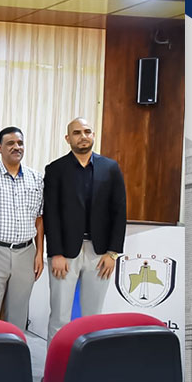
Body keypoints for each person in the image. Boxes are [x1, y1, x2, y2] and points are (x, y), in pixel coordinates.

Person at [44, 117, 127, 341]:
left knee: (93, 318)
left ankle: (89, 362)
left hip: (100, 254)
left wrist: (112, 253)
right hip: (65, 254)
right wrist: (56, 253)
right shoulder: (55, 169)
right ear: (68, 138)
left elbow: (119, 211)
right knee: (60, 317)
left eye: (87, 131)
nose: (83, 136)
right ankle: (56, 363)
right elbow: (51, 214)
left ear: (93, 135)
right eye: (77, 132)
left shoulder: (111, 168)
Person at [0, 126, 44, 332]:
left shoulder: (36, 178)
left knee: (19, 313)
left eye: (20, 143)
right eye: (10, 143)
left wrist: (40, 252)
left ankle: (14, 351)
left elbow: (39, 218)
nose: (16, 147)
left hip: (26, 252)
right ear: (0, 147)